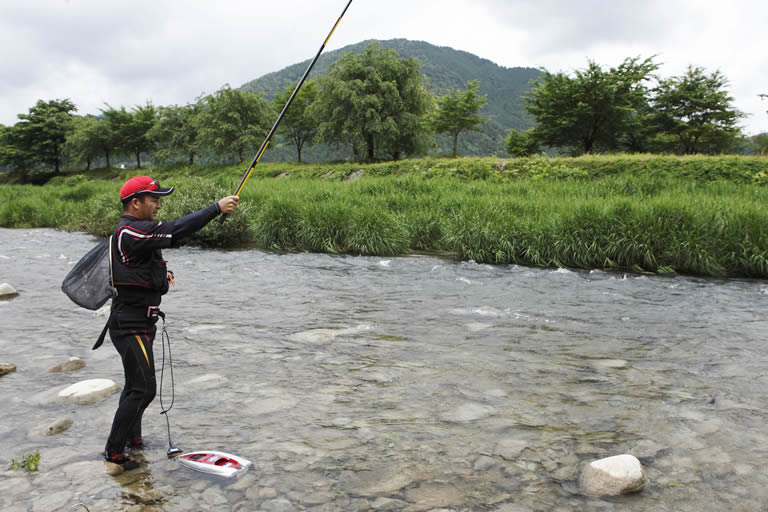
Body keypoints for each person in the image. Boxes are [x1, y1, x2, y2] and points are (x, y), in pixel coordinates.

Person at [102, 176, 238, 468]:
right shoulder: (131, 231)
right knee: (144, 390)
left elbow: (147, 260)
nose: (159, 204)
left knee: (134, 385)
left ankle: (132, 441)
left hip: (140, 321)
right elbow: (176, 230)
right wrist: (216, 208)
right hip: (129, 325)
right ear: (135, 203)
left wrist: (162, 277)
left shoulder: (136, 232)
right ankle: (113, 453)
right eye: (154, 199)